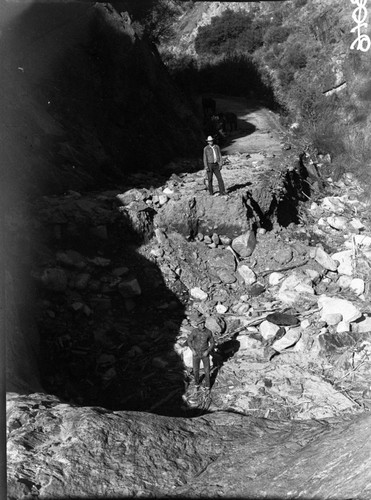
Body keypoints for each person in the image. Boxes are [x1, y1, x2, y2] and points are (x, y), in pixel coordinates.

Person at [187, 312, 215, 391]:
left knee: (207, 371)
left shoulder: (208, 332)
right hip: (196, 353)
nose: (201, 325)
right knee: (196, 370)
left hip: (205, 353)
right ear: (197, 325)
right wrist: (192, 350)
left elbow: (213, 343)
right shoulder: (194, 331)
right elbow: (189, 341)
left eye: (202, 323)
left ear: (204, 323)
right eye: (200, 324)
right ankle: (196, 385)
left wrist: (208, 351)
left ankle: (208, 386)